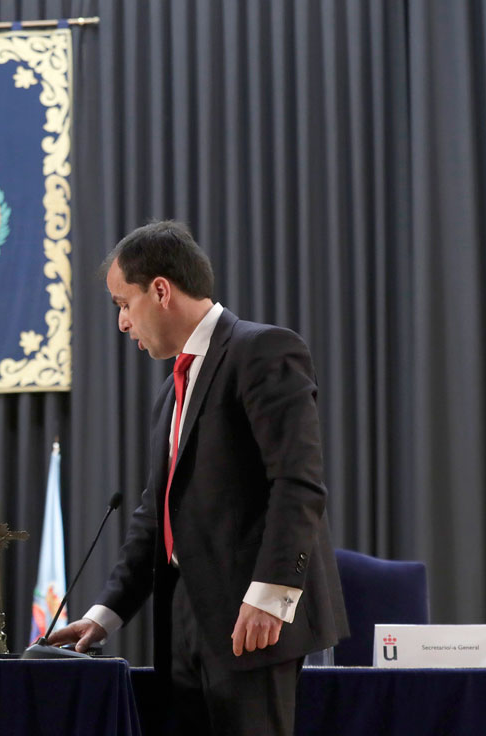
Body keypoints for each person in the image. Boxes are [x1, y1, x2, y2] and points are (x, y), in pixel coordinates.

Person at [49, 221, 348, 736]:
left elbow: (298, 482)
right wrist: (106, 613)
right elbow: (156, 512)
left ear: (160, 290)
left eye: (124, 303)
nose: (122, 323)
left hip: (252, 618)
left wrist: (271, 595)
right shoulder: (172, 391)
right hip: (183, 619)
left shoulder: (263, 350)